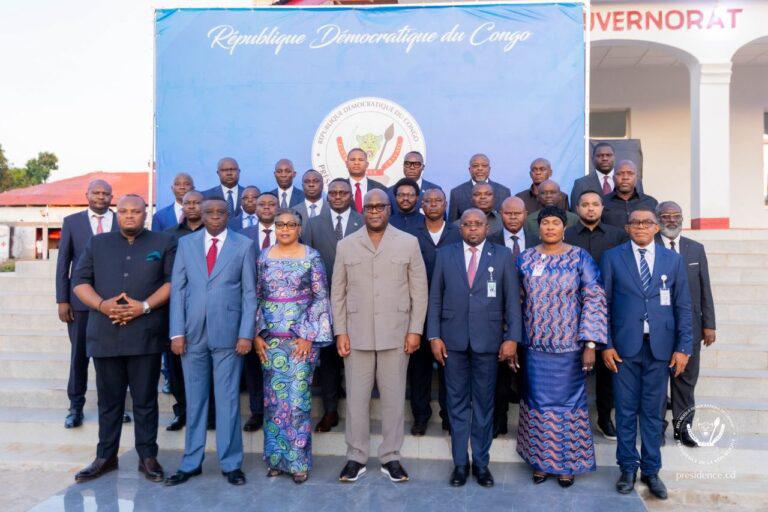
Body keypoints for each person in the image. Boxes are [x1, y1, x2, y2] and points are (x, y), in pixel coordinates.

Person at [71, 194, 174, 483]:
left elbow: (172, 282)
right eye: (124, 211)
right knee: (109, 401)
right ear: (117, 214)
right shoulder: (98, 243)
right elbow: (79, 281)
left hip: (145, 334)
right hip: (105, 334)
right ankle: (105, 457)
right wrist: (103, 305)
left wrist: (143, 307)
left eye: (136, 211)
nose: (130, 215)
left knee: (145, 400)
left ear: (145, 214)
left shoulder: (163, 242)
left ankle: (147, 457)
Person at [332, 189, 428, 483]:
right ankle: (356, 456)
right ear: (363, 211)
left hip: (396, 334)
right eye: (370, 207)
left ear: (389, 209)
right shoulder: (346, 245)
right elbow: (338, 293)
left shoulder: (408, 243)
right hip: (356, 333)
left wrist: (415, 330)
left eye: (380, 206)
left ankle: (390, 457)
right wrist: (340, 331)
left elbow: (419, 291)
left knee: (394, 399)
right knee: (356, 400)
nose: (374, 211)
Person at [601, 208, 693, 500]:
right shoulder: (612, 257)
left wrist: (683, 348)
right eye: (635, 222)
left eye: (647, 222)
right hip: (623, 348)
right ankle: (627, 468)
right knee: (625, 410)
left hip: (660, 348)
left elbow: (683, 306)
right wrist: (606, 344)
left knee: (653, 413)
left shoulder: (673, 259)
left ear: (656, 227)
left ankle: (651, 471)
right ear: (627, 228)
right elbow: (602, 304)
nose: (641, 226)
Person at [427, 208, 522, 488]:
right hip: (452, 340)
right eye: (467, 224)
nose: (472, 228)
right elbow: (435, 298)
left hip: (489, 341)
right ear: (460, 228)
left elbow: (512, 301)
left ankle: (481, 464)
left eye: (477, 224)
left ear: (487, 228)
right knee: (456, 405)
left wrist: (512, 338)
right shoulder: (445, 254)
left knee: (483, 405)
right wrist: (434, 336)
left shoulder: (502, 255)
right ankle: (460, 464)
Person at [164, 198, 256, 487]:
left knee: (228, 400)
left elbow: (249, 293)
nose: (215, 217)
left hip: (229, 333)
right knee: (195, 400)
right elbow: (178, 290)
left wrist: (246, 333)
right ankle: (191, 462)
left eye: (220, 212)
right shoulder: (186, 244)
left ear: (229, 215)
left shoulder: (243, 245)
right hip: (191, 334)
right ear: (200, 215)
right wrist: (176, 332)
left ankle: (231, 463)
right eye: (209, 212)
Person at [515, 206, 608, 488]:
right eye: (545, 222)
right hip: (535, 348)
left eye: (556, 222)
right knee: (538, 404)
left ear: (564, 228)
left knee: (568, 406)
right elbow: (515, 300)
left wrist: (590, 343)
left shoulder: (579, 257)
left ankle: (567, 464)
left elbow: (594, 298)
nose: (550, 227)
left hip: (569, 349)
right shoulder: (525, 259)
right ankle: (541, 462)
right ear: (538, 228)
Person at [253, 209, 333, 484]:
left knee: (297, 401)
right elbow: (257, 296)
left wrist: (308, 336)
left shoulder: (312, 256)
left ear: (300, 228)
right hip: (270, 342)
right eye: (280, 225)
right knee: (274, 402)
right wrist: (256, 334)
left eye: (291, 224)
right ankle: (276, 460)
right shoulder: (264, 257)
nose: (285, 229)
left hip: (301, 342)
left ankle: (298, 462)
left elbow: (320, 298)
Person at [56, 180, 121, 429]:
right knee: (79, 356)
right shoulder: (72, 222)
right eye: (96, 192)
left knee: (113, 358)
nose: (101, 196)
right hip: (80, 303)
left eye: (106, 193)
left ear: (111, 197)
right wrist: (62, 299)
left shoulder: (121, 220)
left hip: (113, 303)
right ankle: (76, 406)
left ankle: (114, 406)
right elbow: (63, 264)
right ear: (87, 195)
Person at [564, 190, 629, 441]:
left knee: (606, 368)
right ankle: (570, 422)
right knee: (570, 368)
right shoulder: (567, 235)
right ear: (577, 208)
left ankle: (604, 418)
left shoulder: (617, 236)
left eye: (595, 204)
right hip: (570, 310)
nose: (590, 208)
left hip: (607, 309)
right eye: (585, 204)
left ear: (602, 208)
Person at [302, 178, 364, 432]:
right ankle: (330, 411)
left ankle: (357, 414)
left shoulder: (364, 221)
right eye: (334, 193)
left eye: (343, 193)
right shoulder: (314, 224)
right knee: (328, 360)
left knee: (357, 359)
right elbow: (307, 262)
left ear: (351, 196)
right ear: (328, 197)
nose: (338, 196)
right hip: (325, 303)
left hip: (359, 301)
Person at [656, 201, 716, 448]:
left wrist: (709, 324)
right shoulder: (650, 246)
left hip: (690, 326)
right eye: (666, 216)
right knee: (658, 383)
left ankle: (684, 429)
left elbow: (705, 287)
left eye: (676, 216)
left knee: (686, 381)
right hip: (658, 327)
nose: (671, 220)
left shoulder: (695, 249)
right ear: (657, 219)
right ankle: (657, 429)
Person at [487, 196, 540, 437]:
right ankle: (498, 421)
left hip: (533, 316)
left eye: (517, 213)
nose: (513, 217)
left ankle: (529, 428)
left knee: (529, 374)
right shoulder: (490, 241)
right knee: (499, 373)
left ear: (526, 214)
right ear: (500, 215)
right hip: (498, 316)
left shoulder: (538, 241)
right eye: (508, 213)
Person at [410, 188, 461, 435]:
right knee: (418, 368)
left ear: (445, 204)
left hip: (451, 310)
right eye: (428, 201)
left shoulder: (458, 233)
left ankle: (448, 415)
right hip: (418, 309)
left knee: (448, 367)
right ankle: (420, 416)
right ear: (421, 205)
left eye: (437, 200)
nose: (432, 204)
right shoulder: (410, 235)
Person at [163, 191, 206, 432]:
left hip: (206, 306)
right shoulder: (169, 235)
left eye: (196, 203)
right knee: (176, 363)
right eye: (187, 203)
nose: (191, 206)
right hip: (176, 304)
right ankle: (182, 411)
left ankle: (208, 414)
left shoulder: (214, 234)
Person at [238, 192, 280, 432]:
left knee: (277, 363)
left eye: (271, 204)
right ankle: (257, 412)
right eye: (261, 204)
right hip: (250, 306)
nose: (266, 207)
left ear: (278, 207)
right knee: (254, 363)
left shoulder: (289, 231)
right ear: (254, 207)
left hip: (281, 308)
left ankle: (277, 411)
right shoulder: (242, 235)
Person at [569, 142, 644, 212]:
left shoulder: (635, 182)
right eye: (600, 156)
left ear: (614, 157)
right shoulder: (581, 184)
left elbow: (641, 208)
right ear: (592, 159)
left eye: (608, 155)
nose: (605, 158)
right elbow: (576, 213)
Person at [448, 153, 511, 222]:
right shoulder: (456, 193)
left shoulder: (504, 192)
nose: (480, 168)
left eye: (484, 166)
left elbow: (507, 222)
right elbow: (452, 224)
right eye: (475, 166)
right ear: (469, 169)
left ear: (489, 169)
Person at [601, 160, 658, 229]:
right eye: (620, 173)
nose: (625, 177)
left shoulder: (651, 202)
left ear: (636, 178)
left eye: (630, 173)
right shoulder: (602, 202)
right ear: (613, 178)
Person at [345, 148, 386, 214]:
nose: (356, 163)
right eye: (353, 160)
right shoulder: (338, 189)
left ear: (367, 164)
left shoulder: (380, 188)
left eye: (361, 160)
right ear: (346, 164)